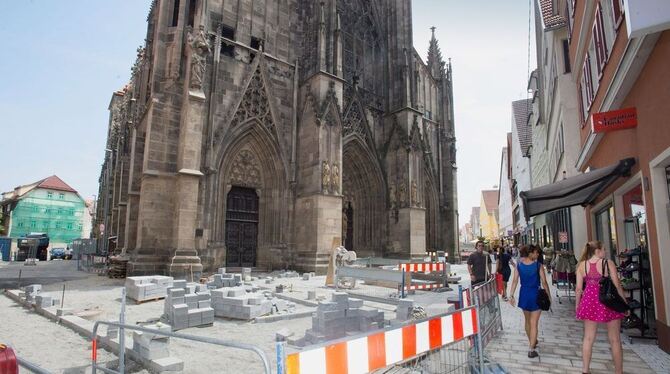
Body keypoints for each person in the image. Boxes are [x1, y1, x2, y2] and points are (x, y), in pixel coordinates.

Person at [575, 241, 627, 374]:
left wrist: (577, 306)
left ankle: (585, 370)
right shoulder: (607, 263)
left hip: (589, 301)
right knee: (615, 339)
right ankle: (618, 371)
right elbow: (617, 285)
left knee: (588, 338)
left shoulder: (582, 265)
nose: (605, 252)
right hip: (608, 301)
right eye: (604, 249)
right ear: (597, 251)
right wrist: (624, 303)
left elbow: (579, 289)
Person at [508, 244, 550, 358]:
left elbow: (515, 281)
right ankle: (531, 349)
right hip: (535, 294)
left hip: (524, 294)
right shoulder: (538, 266)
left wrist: (511, 295)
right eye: (536, 252)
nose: (537, 255)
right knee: (534, 323)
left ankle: (532, 341)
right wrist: (548, 296)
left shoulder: (519, 265)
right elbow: (544, 282)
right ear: (530, 253)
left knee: (527, 321)